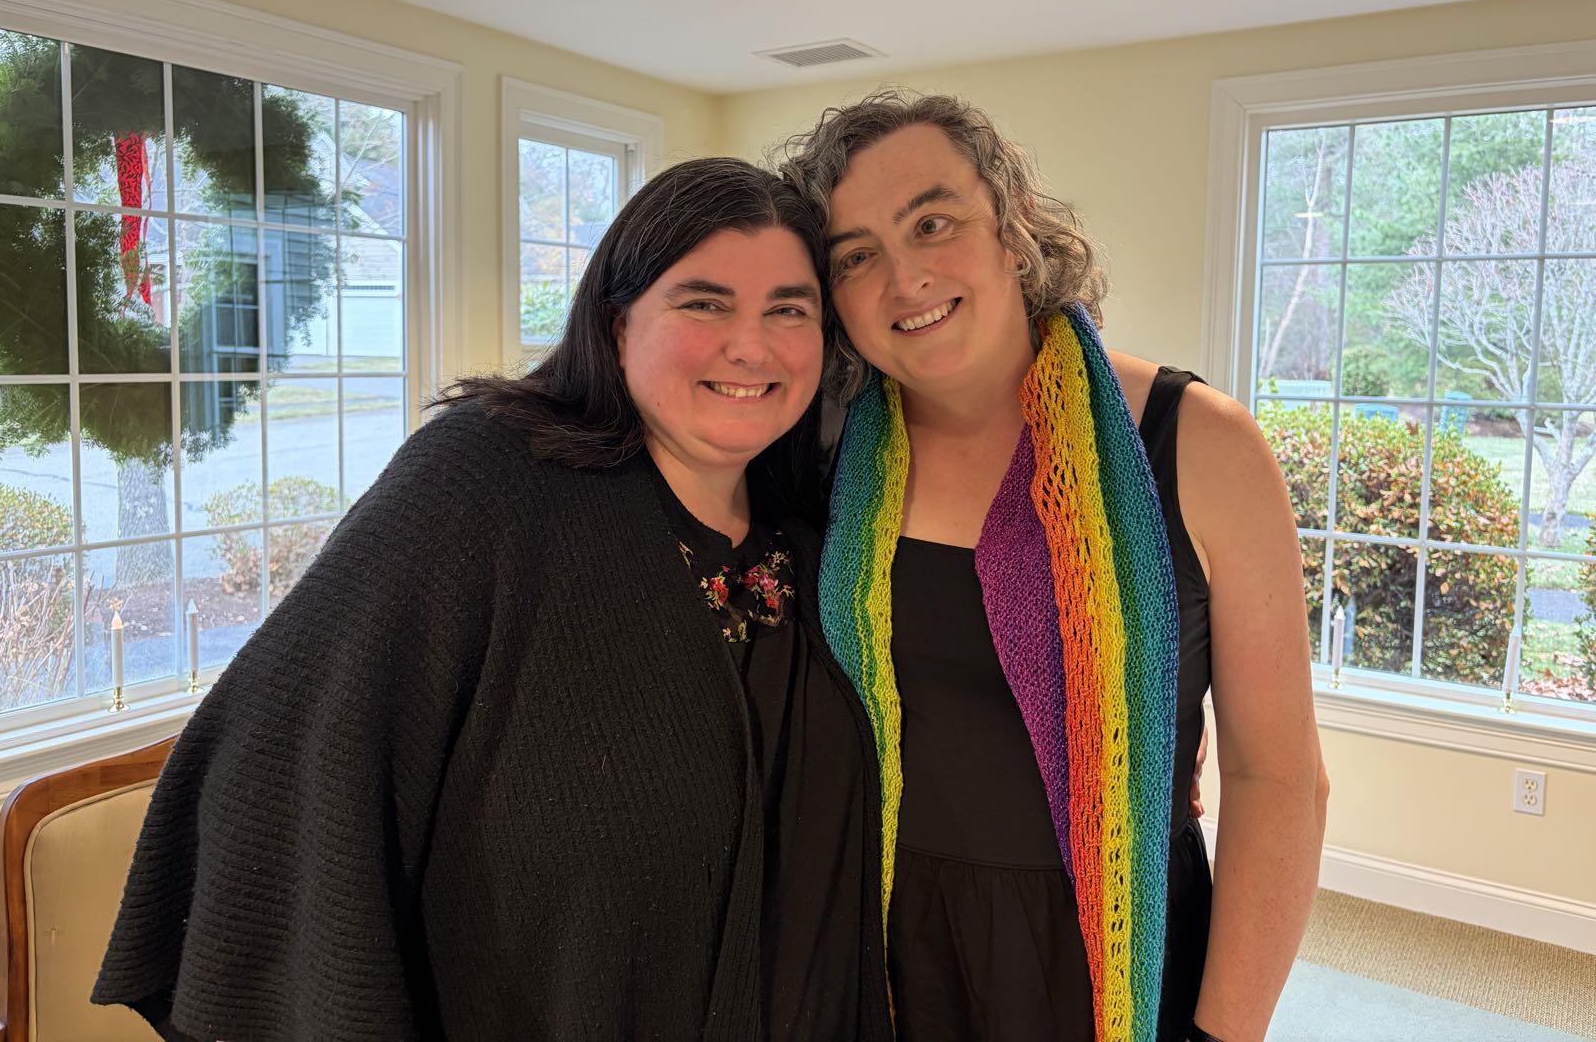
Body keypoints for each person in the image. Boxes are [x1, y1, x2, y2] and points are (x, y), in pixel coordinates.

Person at [93, 158, 893, 1041]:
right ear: (617, 320)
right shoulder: (487, 482)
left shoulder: (825, 528)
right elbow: (274, 761)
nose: (753, 346)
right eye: (703, 303)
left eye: (789, 308)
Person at [780, 92, 1330, 1042]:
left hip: (1122, 949)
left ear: (1014, 227)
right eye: (856, 255)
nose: (904, 276)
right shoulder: (820, 453)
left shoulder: (1196, 445)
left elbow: (1277, 776)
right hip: (884, 951)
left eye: (933, 222)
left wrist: (1222, 1034)